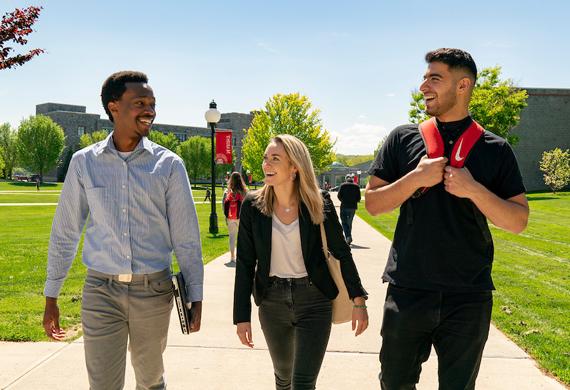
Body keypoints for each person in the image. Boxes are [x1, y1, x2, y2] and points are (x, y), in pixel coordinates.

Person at [365, 48, 529, 389]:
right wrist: (415, 179)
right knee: (394, 383)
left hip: (468, 295)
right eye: (425, 77)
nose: (424, 85)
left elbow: (517, 221)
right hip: (408, 288)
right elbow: (373, 204)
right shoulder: (402, 138)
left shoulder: (495, 148)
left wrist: (474, 190)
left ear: (463, 85)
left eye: (434, 78)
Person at [42, 71, 204, 390]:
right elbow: (66, 231)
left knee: (150, 381)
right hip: (100, 292)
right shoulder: (84, 162)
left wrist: (195, 293)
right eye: (139, 103)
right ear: (114, 107)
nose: (150, 110)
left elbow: (186, 236)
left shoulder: (170, 165)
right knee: (102, 385)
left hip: (154, 291)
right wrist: (52, 294)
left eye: (152, 104)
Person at [234, 134, 369, 390]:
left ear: (294, 167)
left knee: (304, 382)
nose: (266, 165)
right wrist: (242, 317)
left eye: (275, 159)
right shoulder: (253, 205)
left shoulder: (318, 202)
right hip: (272, 302)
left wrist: (358, 301)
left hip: (314, 301)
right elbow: (244, 265)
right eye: (265, 158)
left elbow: (341, 252)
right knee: (283, 377)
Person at [223, 171, 248, 267]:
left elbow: (223, 205)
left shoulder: (227, 191)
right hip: (241, 217)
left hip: (230, 217)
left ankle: (232, 257)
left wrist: (226, 216)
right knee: (243, 237)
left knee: (232, 237)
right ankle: (242, 256)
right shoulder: (244, 191)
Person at [337, 174, 361, 245]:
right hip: (353, 207)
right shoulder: (356, 186)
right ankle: (348, 237)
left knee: (344, 222)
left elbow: (339, 196)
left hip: (344, 206)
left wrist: (343, 201)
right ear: (352, 179)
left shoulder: (342, 185)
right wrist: (354, 201)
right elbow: (358, 198)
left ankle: (348, 236)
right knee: (349, 223)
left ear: (346, 179)